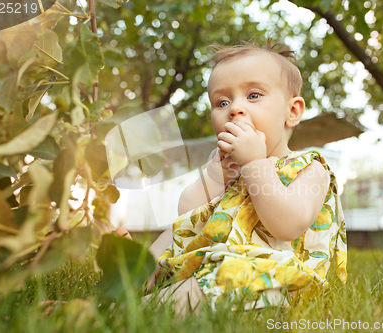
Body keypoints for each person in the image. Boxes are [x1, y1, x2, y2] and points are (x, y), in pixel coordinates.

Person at [117, 41, 347, 316]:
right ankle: (142, 269)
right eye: (222, 102)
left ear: (292, 111)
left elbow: (288, 225)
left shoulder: (310, 169)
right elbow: (188, 217)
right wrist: (215, 175)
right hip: (214, 263)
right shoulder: (228, 169)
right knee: (171, 235)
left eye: (253, 95)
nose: (234, 109)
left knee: (224, 276)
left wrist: (254, 164)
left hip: (273, 279)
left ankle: (127, 312)